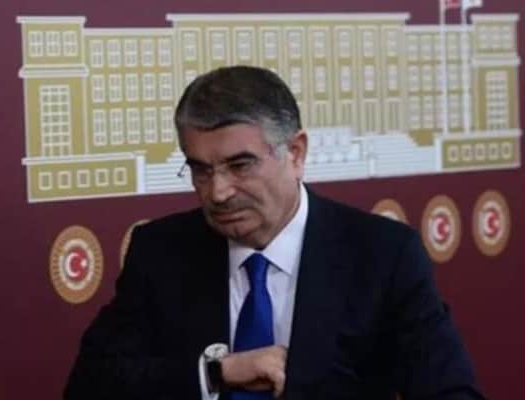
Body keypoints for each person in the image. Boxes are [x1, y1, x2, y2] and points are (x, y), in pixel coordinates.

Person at [64, 66, 484, 400]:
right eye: (201, 170)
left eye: (240, 165)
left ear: (295, 153)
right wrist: (216, 373)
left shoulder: (382, 256)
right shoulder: (161, 251)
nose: (218, 192)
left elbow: (451, 392)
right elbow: (91, 387)